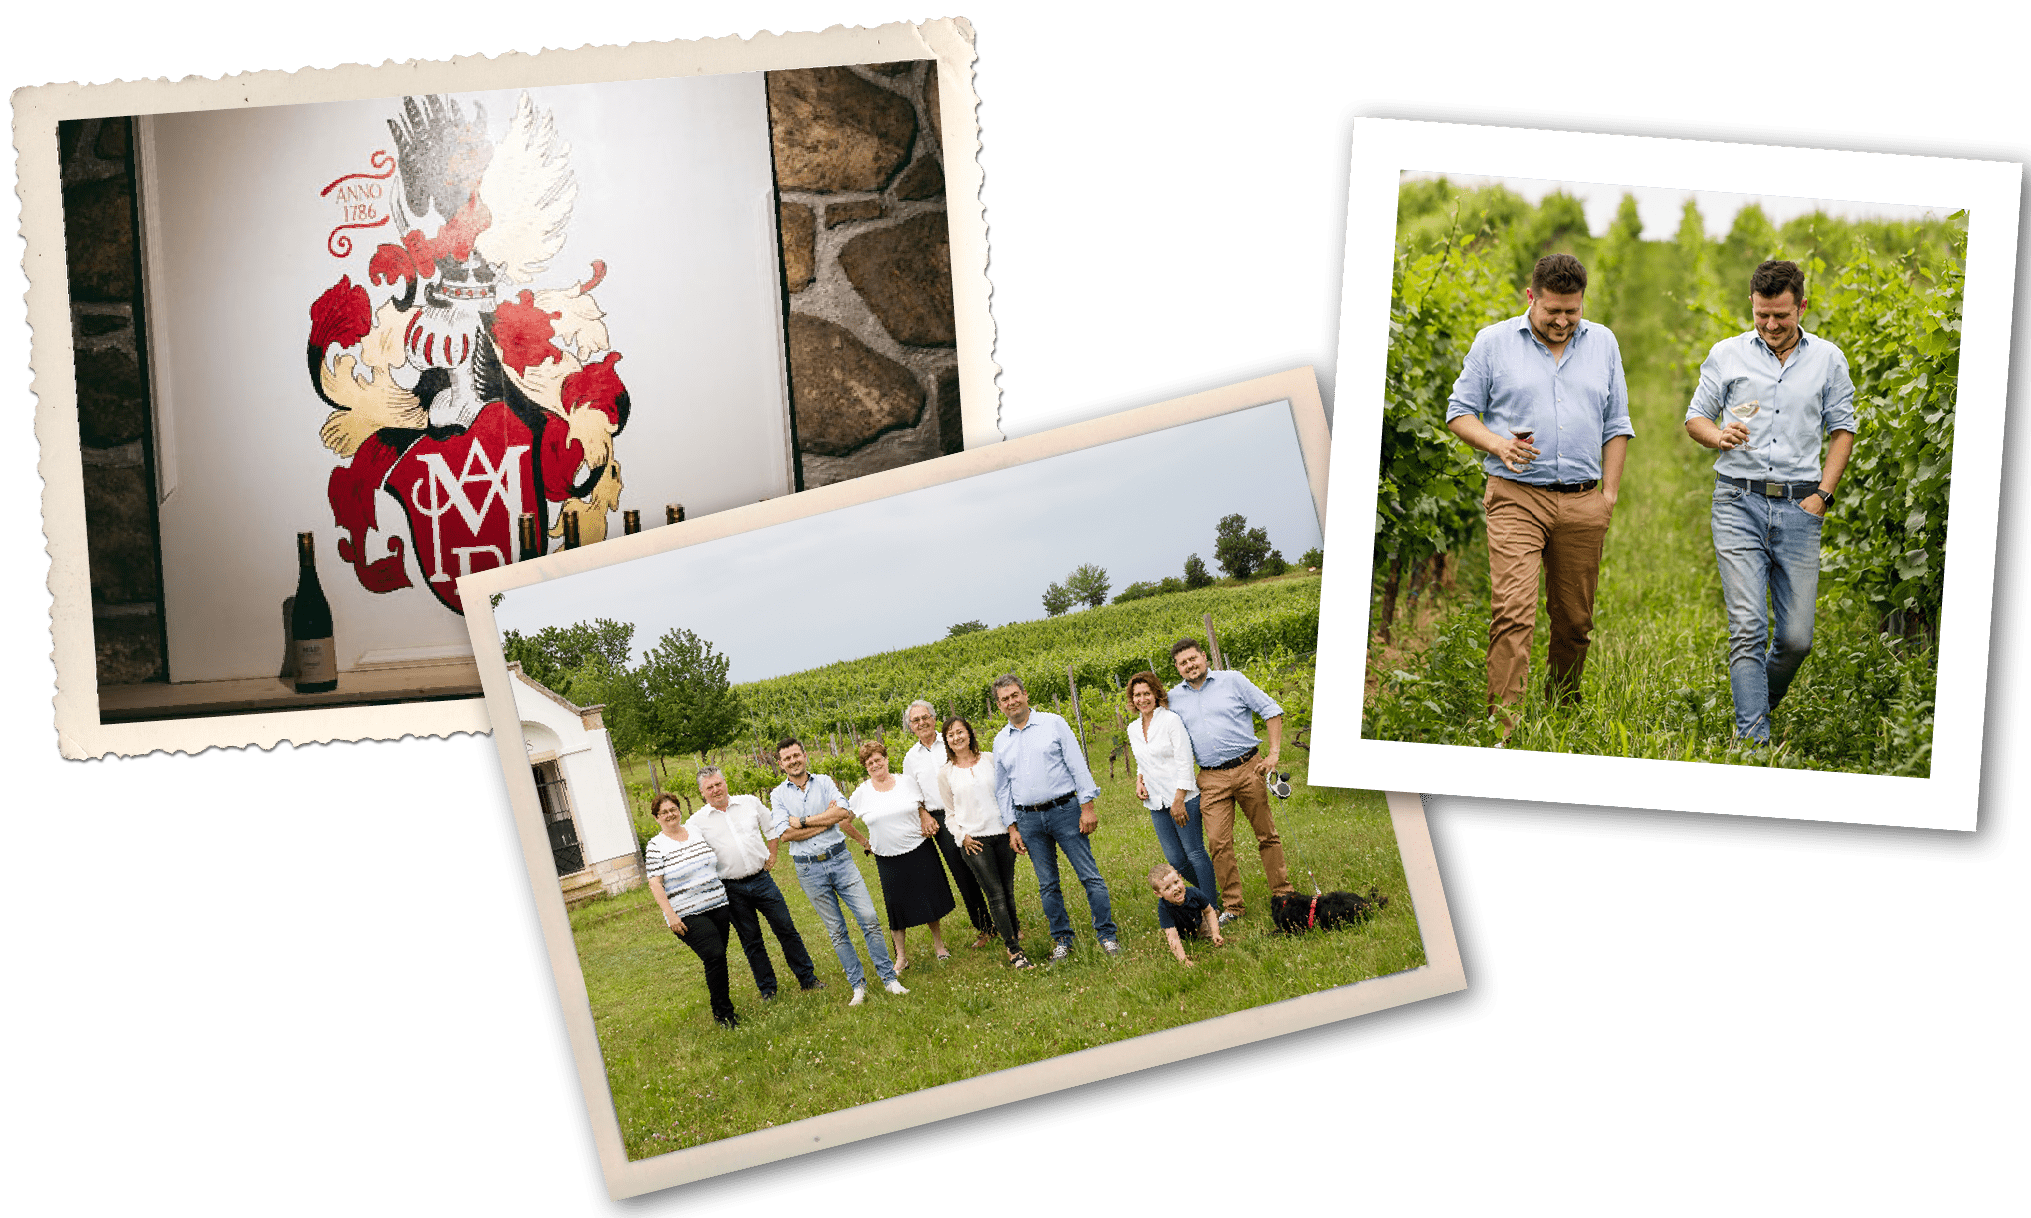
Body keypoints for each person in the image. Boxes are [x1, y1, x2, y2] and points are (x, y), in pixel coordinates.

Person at [1444, 252, 1633, 731]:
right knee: (1513, 611)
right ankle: (1503, 727)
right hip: (1516, 497)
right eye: (1553, 311)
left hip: (1583, 499)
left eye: (1573, 310)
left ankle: (1563, 710)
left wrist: (1607, 496)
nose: (1564, 321)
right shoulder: (1493, 343)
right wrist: (1497, 444)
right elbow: (1459, 412)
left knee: (1574, 621)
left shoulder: (1604, 343)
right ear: (1532, 298)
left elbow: (1617, 423)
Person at [1683, 258, 1857, 744]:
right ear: (1753, 307)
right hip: (1737, 501)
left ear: (1801, 306)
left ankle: (1757, 703)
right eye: (1762, 315)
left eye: (1781, 315)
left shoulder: (1828, 359)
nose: (1772, 325)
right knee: (1747, 626)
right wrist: (1718, 436)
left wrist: (1823, 495)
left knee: (1797, 639)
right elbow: (1695, 418)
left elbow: (1843, 429)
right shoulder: (1727, 354)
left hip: (1801, 506)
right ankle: (1753, 742)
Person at [990, 673, 1119, 960]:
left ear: (1025, 694)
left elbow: (1078, 765)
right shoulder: (1000, 741)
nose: (1011, 702)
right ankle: (1062, 939)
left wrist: (1087, 806)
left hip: (1065, 811)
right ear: (999, 706)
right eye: (1004, 699)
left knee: (1089, 875)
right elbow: (1002, 789)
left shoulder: (1053, 724)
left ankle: (1107, 935)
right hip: (1029, 820)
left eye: (1014, 695)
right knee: (1047, 884)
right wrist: (1012, 827)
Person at [768, 737, 907, 1005]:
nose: (793, 761)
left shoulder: (825, 782)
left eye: (796, 755)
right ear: (781, 763)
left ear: (804, 755)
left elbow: (843, 813)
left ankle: (889, 978)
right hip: (808, 869)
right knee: (837, 931)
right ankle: (858, 985)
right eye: (787, 758)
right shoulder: (777, 795)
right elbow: (784, 834)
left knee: (869, 918)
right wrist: (825, 821)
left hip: (840, 860)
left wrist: (804, 822)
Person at [1166, 637, 1292, 925]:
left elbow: (1271, 710)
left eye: (1193, 659)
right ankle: (1233, 906)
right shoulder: (1173, 698)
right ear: (1177, 668)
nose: (1190, 665)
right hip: (1210, 777)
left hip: (1249, 768)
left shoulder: (1232, 680)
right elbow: (1160, 735)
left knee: (1267, 834)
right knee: (1218, 842)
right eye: (1183, 663)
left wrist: (1273, 754)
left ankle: (1283, 893)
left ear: (1204, 657)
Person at [681, 771, 825, 1000]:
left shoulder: (749, 802)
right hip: (731, 888)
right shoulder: (697, 822)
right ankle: (768, 989)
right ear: (702, 792)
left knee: (786, 928)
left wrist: (773, 855)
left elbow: (771, 828)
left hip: (762, 880)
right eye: (709, 787)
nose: (715, 790)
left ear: (725, 782)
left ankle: (807, 978)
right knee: (751, 941)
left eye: (718, 784)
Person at [848, 739, 955, 971]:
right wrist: (863, 841)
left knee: (928, 900)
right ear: (865, 767)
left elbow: (921, 805)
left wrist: (925, 816)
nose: (875, 765)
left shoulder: (906, 782)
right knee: (896, 907)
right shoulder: (861, 793)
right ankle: (901, 957)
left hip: (918, 848)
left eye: (878, 759)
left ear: (886, 759)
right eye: (869, 763)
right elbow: (843, 820)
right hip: (887, 857)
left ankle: (939, 947)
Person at [936, 715, 1033, 969]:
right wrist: (962, 837)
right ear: (947, 741)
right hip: (974, 841)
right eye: (951, 735)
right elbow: (949, 813)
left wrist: (1013, 828)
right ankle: (1014, 950)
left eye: (960, 732)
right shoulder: (946, 774)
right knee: (995, 894)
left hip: (1001, 834)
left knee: (1008, 891)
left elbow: (1005, 794)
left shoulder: (990, 760)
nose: (956, 737)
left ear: (969, 733)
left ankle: (1012, 930)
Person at [901, 700, 996, 948]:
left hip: (969, 810)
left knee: (986, 866)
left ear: (934, 718)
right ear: (910, 726)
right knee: (963, 875)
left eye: (925, 717)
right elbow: (913, 795)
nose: (921, 722)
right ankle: (985, 928)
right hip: (942, 821)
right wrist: (923, 813)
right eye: (915, 720)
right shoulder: (910, 759)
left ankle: (1005, 919)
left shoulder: (952, 741)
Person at [644, 796, 740, 1028]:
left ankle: (722, 1008)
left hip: (717, 905)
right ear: (657, 818)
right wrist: (671, 915)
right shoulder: (656, 846)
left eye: (673, 809)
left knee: (717, 959)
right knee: (714, 955)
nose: (670, 814)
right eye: (664, 812)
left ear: (679, 811)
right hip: (687, 914)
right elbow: (655, 883)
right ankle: (723, 1014)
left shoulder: (696, 832)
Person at [1121, 670, 1218, 902]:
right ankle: (1203, 895)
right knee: (1176, 860)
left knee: (1194, 853)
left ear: (1156, 694)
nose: (1141, 699)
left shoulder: (1171, 720)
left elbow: (1185, 759)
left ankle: (1210, 905)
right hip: (1156, 802)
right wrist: (1139, 779)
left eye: (1146, 693)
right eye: (1136, 695)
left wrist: (1179, 800)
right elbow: (1141, 761)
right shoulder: (1133, 729)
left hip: (1182, 798)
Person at [1148, 863, 1224, 967]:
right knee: (1178, 940)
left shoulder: (1194, 893)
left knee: (1211, 939)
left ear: (1180, 878)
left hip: (1199, 922)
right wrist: (1183, 960)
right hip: (1181, 931)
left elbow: (1209, 911)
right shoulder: (1164, 908)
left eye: (1176, 882)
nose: (1175, 888)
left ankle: (1216, 923)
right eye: (1167, 888)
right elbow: (1173, 937)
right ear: (1159, 894)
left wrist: (1215, 933)